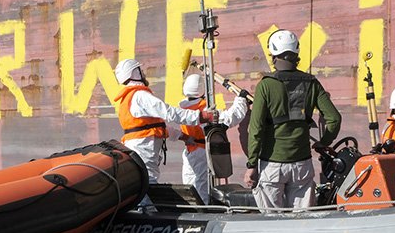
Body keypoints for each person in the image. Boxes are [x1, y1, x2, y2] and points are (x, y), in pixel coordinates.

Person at [243, 29, 341, 211]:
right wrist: (323, 143)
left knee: (273, 222)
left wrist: (251, 165)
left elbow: (255, 129)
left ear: (273, 54)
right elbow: (334, 119)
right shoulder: (312, 83)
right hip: (302, 163)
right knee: (302, 222)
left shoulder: (265, 85)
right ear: (296, 53)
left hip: (272, 165)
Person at [113, 59, 216, 184]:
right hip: (144, 148)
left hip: (138, 146)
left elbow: (157, 126)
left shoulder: (129, 98)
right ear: (135, 73)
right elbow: (169, 112)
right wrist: (200, 116)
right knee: (147, 183)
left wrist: (182, 136)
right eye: (141, 71)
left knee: (143, 183)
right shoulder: (141, 96)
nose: (144, 74)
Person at [175, 72, 249, 202]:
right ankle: (204, 209)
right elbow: (229, 119)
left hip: (190, 151)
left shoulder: (183, 108)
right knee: (202, 185)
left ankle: (194, 208)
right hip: (203, 151)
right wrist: (241, 100)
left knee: (191, 184)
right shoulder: (203, 109)